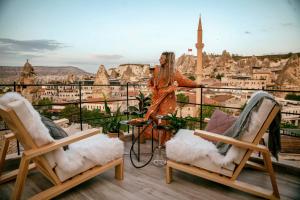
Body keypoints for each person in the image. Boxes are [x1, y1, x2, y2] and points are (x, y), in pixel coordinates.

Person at [130, 51, 199, 144]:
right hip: (157, 97)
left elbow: (185, 81)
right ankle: (158, 139)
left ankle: (164, 141)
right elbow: (151, 82)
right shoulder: (157, 69)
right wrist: (153, 89)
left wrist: (198, 85)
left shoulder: (173, 72)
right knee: (153, 115)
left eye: (162, 58)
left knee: (164, 119)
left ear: (167, 60)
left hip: (168, 98)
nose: (159, 59)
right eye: (160, 58)